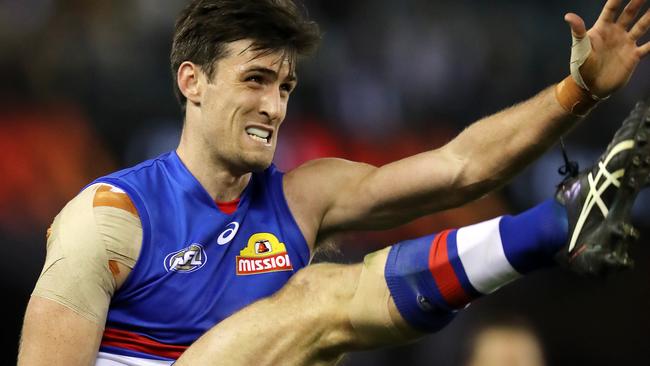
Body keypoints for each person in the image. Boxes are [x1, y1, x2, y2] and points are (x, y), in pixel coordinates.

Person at [18, 0, 650, 365]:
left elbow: (462, 168)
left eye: (285, 87)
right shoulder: (107, 220)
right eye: (256, 80)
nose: (274, 106)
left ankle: (567, 220)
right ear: (192, 82)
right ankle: (554, 226)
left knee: (325, 297)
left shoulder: (304, 197)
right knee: (316, 292)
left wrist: (581, 89)